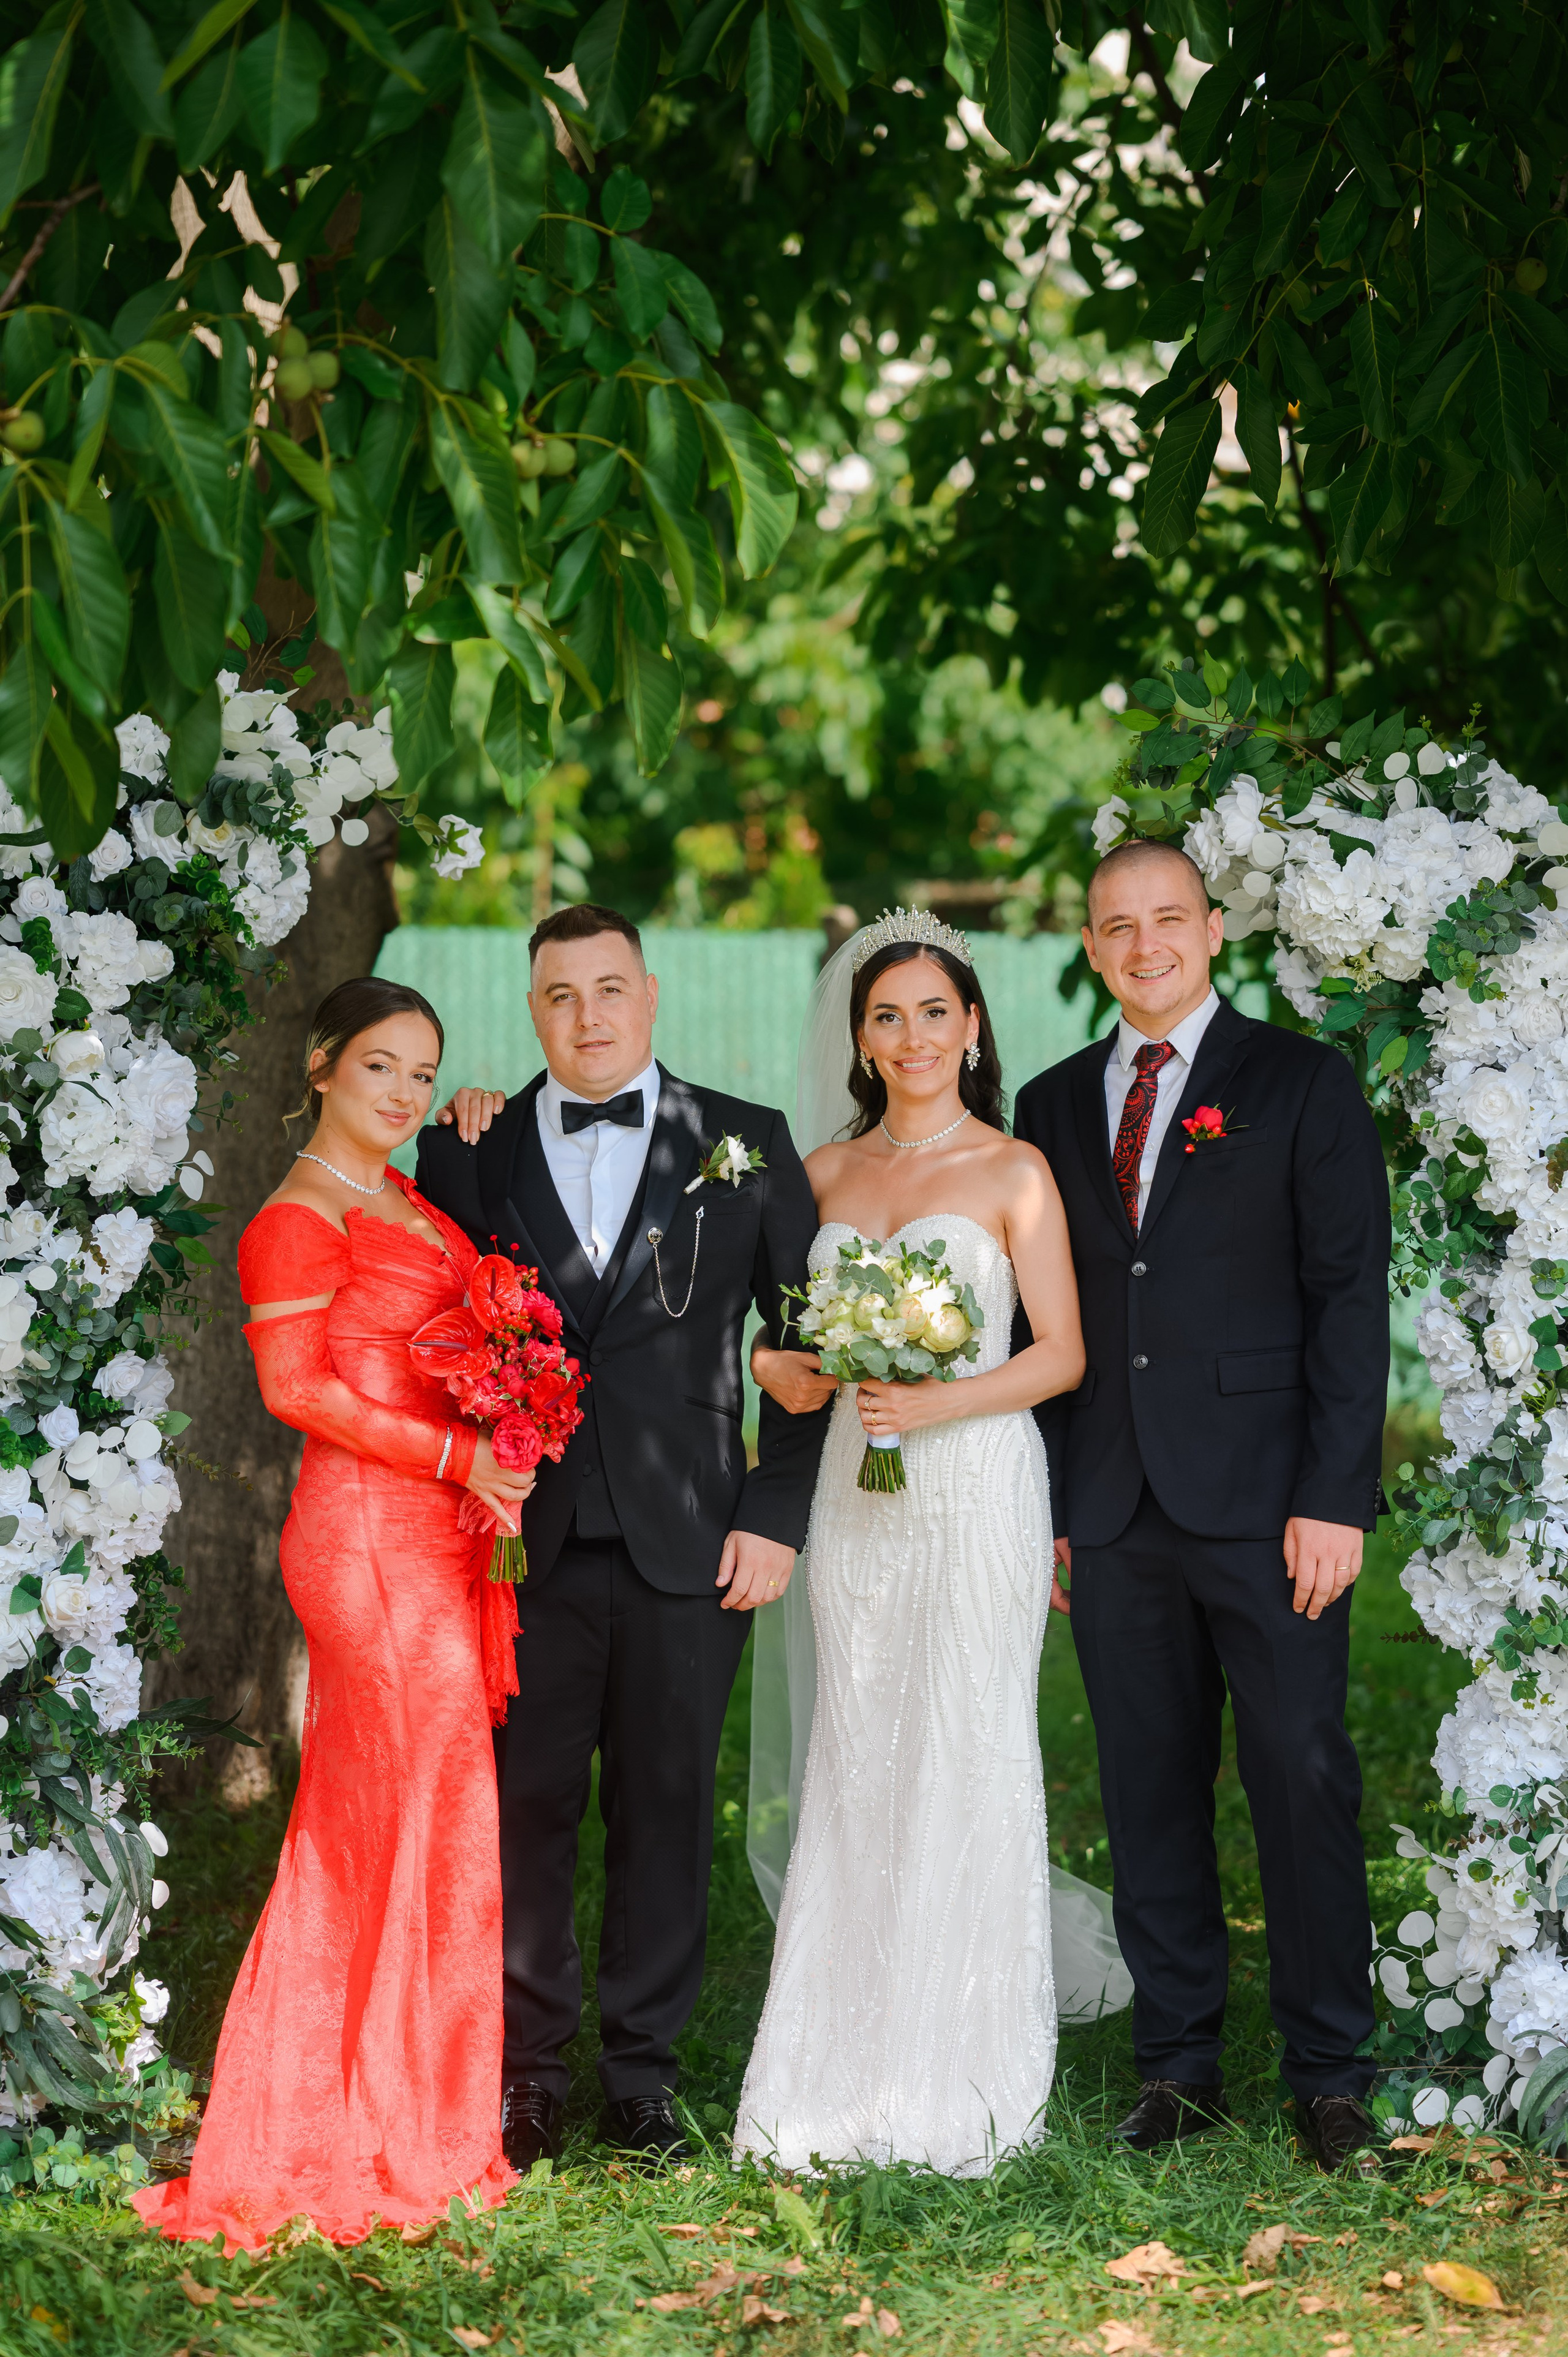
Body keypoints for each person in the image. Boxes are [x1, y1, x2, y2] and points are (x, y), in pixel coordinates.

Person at [419, 903, 829, 2171]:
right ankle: (526, 2077)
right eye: (558, 995)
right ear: (530, 1007)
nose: (586, 1017)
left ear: (649, 995)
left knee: (663, 1809)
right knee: (524, 1808)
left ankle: (640, 2082)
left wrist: (773, 1515)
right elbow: (429, 1331)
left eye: (607, 989)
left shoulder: (746, 1145)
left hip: (690, 1538)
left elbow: (814, 1346)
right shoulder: (464, 1152)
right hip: (515, 1549)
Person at [133, 979, 532, 2252]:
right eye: (381, 1069)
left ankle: (415, 2109)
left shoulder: (406, 1194)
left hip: (435, 1531)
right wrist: (454, 1455)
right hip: (365, 1537)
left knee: (429, 1812)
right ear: (318, 1066)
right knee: (387, 1815)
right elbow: (297, 1388)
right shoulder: (297, 1219)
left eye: (423, 1071)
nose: (406, 1094)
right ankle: (322, 2122)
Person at [1011, 839, 1390, 2174]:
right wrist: (1058, 1501)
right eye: (1116, 925)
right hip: (1112, 1503)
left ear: (1211, 928)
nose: (1143, 944)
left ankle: (1328, 2072)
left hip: (1269, 1505)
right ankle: (1174, 2064)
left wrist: (1332, 1495)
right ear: (1092, 944)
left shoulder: (1300, 1083)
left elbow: (1347, 1298)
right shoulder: (1052, 1102)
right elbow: (1039, 1311)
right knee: (1147, 1787)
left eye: (1166, 918)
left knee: (1299, 1776)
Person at [735, 908, 1104, 2176]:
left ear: (971, 1026)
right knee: (859, 1742)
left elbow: (1059, 1352)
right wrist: (779, 1367)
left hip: (977, 1484)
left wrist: (938, 1399)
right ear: (857, 1036)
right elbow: (776, 1344)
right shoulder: (821, 1179)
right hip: (852, 1491)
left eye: (932, 1012)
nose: (910, 1036)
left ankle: (964, 2064)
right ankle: (827, 2064)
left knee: (966, 1740)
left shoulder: (1013, 1172)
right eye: (885, 1015)